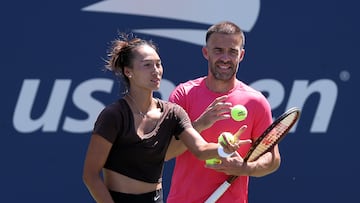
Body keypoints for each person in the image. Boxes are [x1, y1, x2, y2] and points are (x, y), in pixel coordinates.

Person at [82, 33, 250, 203]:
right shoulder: (114, 116)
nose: (156, 71)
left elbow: (200, 149)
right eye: (147, 65)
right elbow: (90, 175)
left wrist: (224, 149)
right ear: (128, 72)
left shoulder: (173, 113)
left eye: (158, 64)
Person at [166, 21, 281, 203]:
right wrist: (200, 124)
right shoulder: (183, 95)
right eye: (218, 50)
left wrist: (245, 168)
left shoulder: (256, 102)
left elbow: (273, 159)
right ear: (206, 52)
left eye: (232, 51)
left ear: (241, 55)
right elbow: (164, 153)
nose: (225, 58)